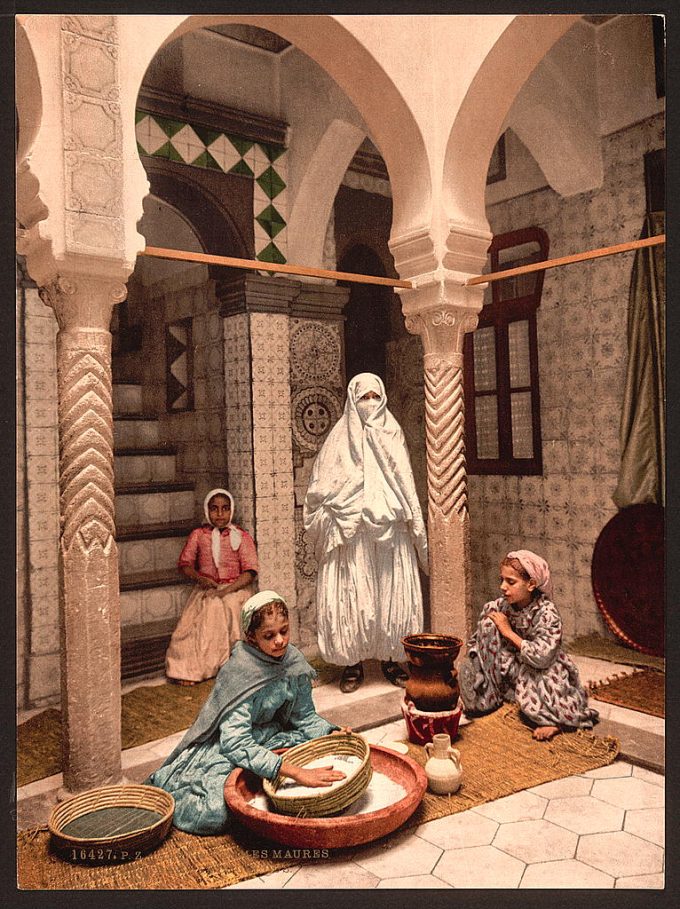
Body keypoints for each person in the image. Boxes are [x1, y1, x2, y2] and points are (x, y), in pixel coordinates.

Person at [147, 591, 346, 835]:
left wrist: (331, 732)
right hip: (229, 745)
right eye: (269, 636)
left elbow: (303, 717)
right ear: (251, 638)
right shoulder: (239, 672)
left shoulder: (292, 661)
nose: (280, 641)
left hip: (272, 736)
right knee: (213, 814)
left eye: (284, 631)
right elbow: (234, 742)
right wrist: (296, 772)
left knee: (329, 754)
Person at [303, 372, 428, 694]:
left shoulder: (392, 433)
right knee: (354, 595)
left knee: (390, 594)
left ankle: (391, 659)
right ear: (352, 401)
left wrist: (406, 515)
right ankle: (352, 663)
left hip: (390, 526)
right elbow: (321, 487)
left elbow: (404, 480)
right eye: (363, 398)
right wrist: (341, 505)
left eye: (375, 397)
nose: (370, 404)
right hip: (352, 530)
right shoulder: (337, 440)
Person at [458, 549, 598, 741]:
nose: (503, 587)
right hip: (513, 666)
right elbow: (478, 641)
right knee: (488, 624)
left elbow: (542, 657)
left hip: (543, 668)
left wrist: (508, 632)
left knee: (543, 683)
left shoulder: (547, 613)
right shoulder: (500, 606)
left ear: (531, 584)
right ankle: (488, 697)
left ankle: (554, 721)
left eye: (511, 582)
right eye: (502, 580)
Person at [165, 488, 258, 685]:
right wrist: (200, 579)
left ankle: (231, 665)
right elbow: (185, 564)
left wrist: (226, 590)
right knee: (207, 611)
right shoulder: (199, 535)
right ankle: (194, 668)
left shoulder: (240, 536)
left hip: (235, 589)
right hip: (207, 588)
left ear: (231, 511)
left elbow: (249, 572)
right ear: (207, 511)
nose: (220, 514)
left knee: (226, 606)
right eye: (214, 509)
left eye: (225, 509)